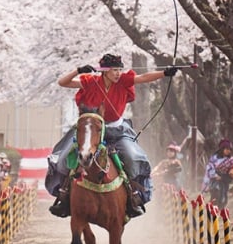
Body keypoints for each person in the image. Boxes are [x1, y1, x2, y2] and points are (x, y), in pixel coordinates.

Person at [45, 53, 180, 218]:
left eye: (119, 69)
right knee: (64, 156)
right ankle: (63, 195)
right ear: (104, 71)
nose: (117, 73)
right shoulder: (90, 81)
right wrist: (78, 71)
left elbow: (144, 77)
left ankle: (133, 196)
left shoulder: (123, 81)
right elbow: (63, 82)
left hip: (117, 132)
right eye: (114, 70)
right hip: (90, 129)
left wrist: (165, 73)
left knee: (133, 156)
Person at [201, 138, 233, 209]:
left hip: (225, 180)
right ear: (222, 149)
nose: (228, 151)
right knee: (216, 194)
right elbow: (209, 168)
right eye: (227, 149)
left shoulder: (231, 159)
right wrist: (215, 175)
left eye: (230, 149)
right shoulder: (214, 158)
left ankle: (220, 211)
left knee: (224, 198)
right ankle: (212, 211)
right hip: (215, 180)